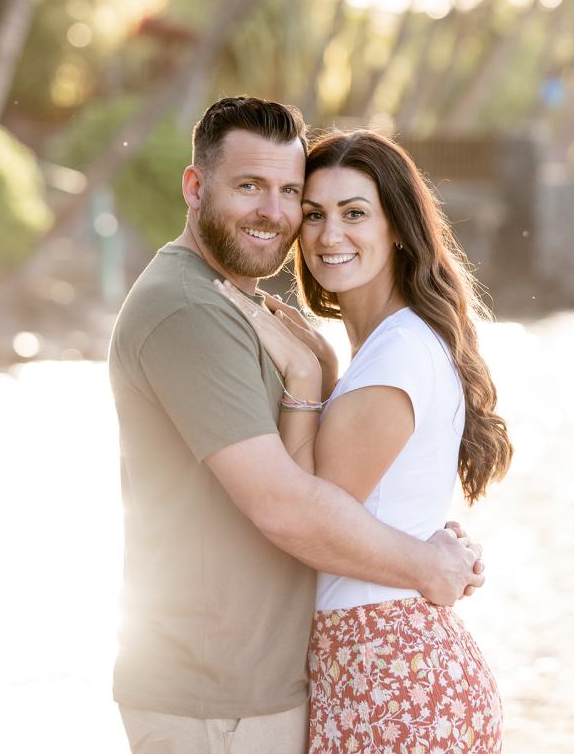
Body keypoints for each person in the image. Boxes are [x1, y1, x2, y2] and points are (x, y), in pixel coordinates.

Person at [108, 97, 485, 754]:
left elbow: (322, 499)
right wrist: (426, 560)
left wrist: (317, 383)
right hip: (218, 697)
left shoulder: (267, 316)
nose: (277, 214)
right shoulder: (190, 309)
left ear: (398, 225)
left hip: (311, 683)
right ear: (195, 187)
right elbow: (291, 509)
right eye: (250, 186)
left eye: (289, 192)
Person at [217, 127, 513, 752]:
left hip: (385, 671)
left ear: (398, 227)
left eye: (355, 214)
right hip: (390, 664)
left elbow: (309, 520)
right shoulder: (390, 347)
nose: (330, 235)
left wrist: (303, 379)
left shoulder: (396, 355)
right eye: (314, 214)